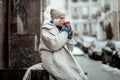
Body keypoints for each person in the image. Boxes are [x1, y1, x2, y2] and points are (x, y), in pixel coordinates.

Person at [38, 8, 88, 80]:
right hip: (51, 59)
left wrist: (69, 39)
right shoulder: (46, 29)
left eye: (64, 18)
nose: (63, 21)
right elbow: (54, 45)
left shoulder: (61, 29)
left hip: (61, 59)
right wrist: (65, 33)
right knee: (72, 77)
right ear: (55, 18)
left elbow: (70, 50)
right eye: (61, 18)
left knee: (79, 75)